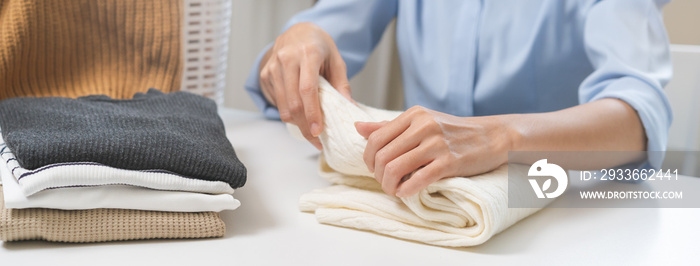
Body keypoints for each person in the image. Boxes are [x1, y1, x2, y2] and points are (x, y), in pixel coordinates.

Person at [245, 0, 672, 198]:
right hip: (417, 204)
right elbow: (314, 40)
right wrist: (297, 45)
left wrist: (501, 138)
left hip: (556, 211)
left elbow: (638, 119)